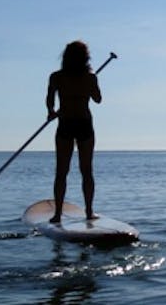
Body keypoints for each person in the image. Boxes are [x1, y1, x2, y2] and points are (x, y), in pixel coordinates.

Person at [46, 41, 102, 222]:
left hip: (65, 124)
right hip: (84, 124)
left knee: (61, 171)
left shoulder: (56, 77)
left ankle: (57, 215)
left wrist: (51, 112)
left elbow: (49, 100)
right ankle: (89, 212)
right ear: (86, 58)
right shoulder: (90, 77)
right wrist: (91, 82)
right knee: (86, 170)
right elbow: (98, 99)